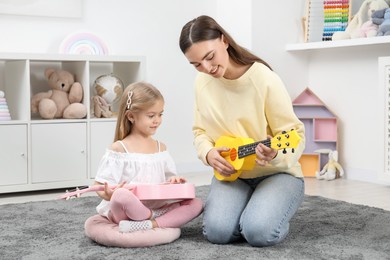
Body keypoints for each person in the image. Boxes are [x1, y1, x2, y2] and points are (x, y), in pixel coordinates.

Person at [179, 15, 306, 247]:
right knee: (217, 233)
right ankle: (251, 209)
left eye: (209, 57)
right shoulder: (202, 82)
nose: (206, 68)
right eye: (196, 64)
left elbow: (295, 134)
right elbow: (200, 132)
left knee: (258, 233)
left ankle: (263, 213)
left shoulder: (264, 79)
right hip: (233, 174)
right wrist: (208, 153)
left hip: (277, 174)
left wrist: (275, 153)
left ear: (224, 41)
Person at [94, 81, 203, 233]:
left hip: (155, 208)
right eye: (151, 115)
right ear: (131, 116)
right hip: (126, 211)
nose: (157, 120)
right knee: (121, 196)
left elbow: (169, 183)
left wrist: (175, 181)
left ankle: (149, 223)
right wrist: (108, 195)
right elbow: (100, 184)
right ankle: (154, 218)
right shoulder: (119, 149)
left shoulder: (161, 149)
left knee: (196, 203)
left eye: (160, 114)